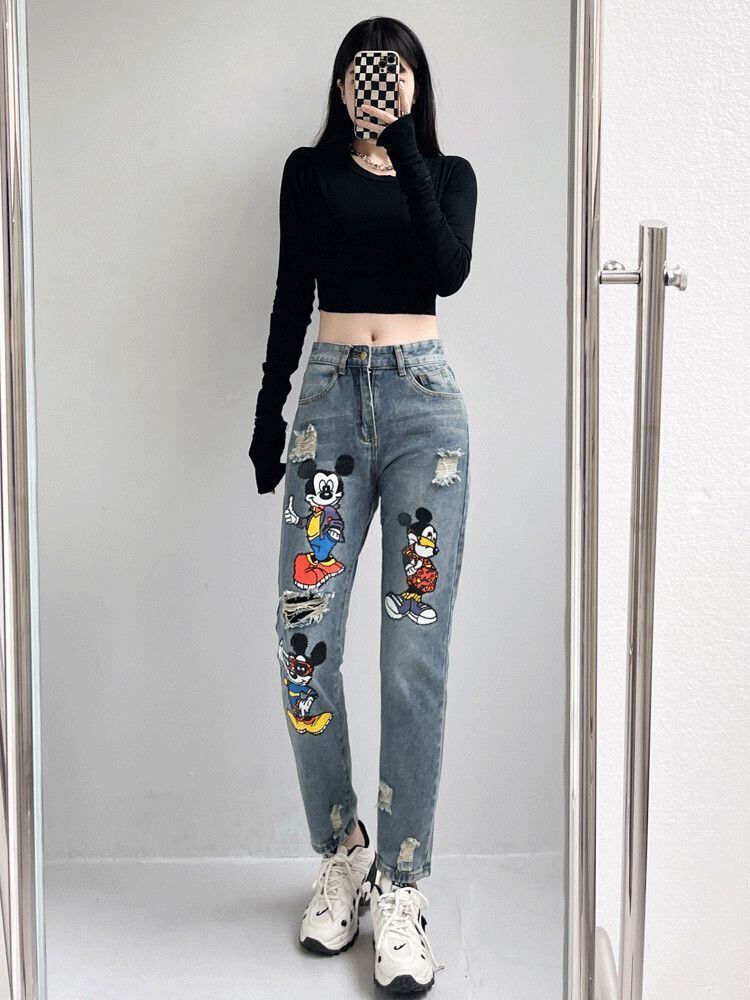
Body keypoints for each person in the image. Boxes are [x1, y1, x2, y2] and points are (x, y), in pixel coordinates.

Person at [249, 16, 477, 995]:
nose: (374, 84)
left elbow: (448, 268)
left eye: (392, 73)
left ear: (414, 84)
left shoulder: (449, 173)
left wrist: (407, 146)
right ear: (340, 82)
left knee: (413, 657)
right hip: (331, 400)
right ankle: (342, 850)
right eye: (360, 70)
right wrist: (268, 411)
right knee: (304, 639)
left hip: (425, 408)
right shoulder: (308, 173)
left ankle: (403, 882)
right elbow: (289, 293)